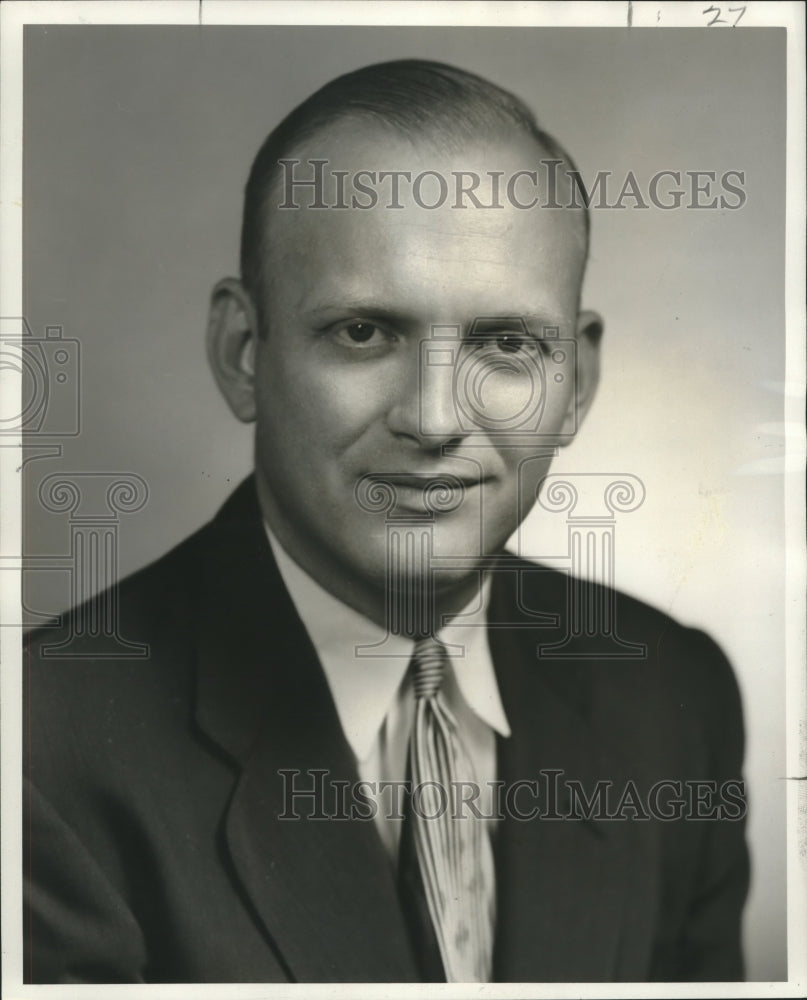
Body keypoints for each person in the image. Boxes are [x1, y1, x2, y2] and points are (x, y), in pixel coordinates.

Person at [23, 59, 748, 984]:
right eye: (365, 332)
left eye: (505, 343)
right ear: (244, 353)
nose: (436, 419)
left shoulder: (674, 699)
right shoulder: (41, 755)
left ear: (577, 385)